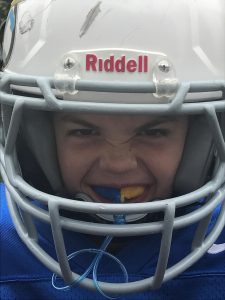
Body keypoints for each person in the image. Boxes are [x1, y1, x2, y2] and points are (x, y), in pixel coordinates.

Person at [0, 0, 225, 299]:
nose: (118, 164)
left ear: (203, 137)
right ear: (36, 139)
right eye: (85, 131)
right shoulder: (7, 245)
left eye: (153, 132)